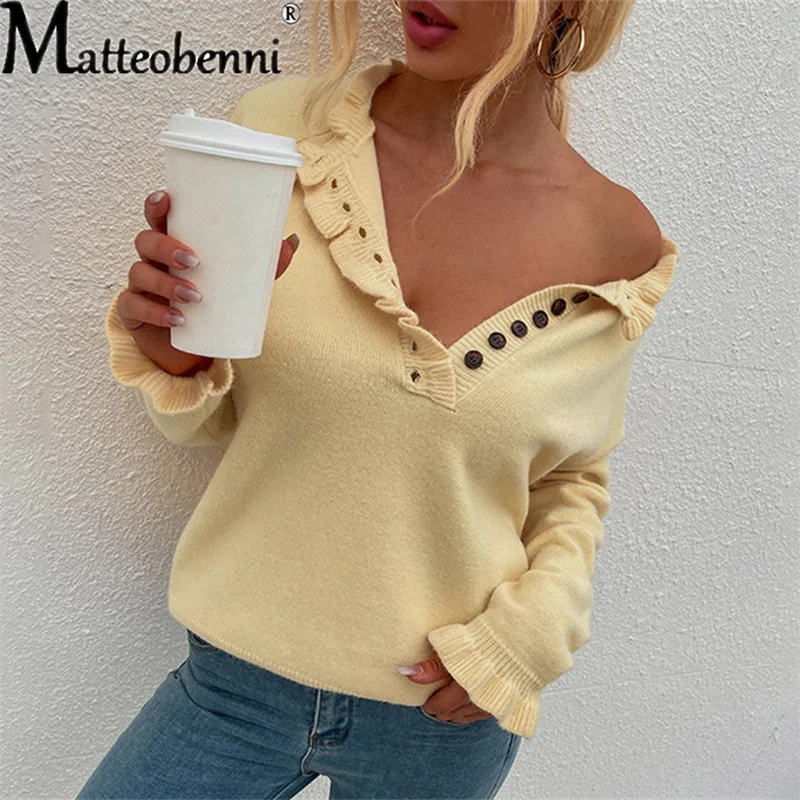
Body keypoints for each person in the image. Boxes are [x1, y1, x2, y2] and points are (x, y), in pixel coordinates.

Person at [78, 0, 680, 797]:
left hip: (441, 720)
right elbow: (200, 423)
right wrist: (173, 349)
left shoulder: (614, 236)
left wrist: (531, 636)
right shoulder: (276, 139)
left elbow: (571, 478)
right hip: (234, 685)